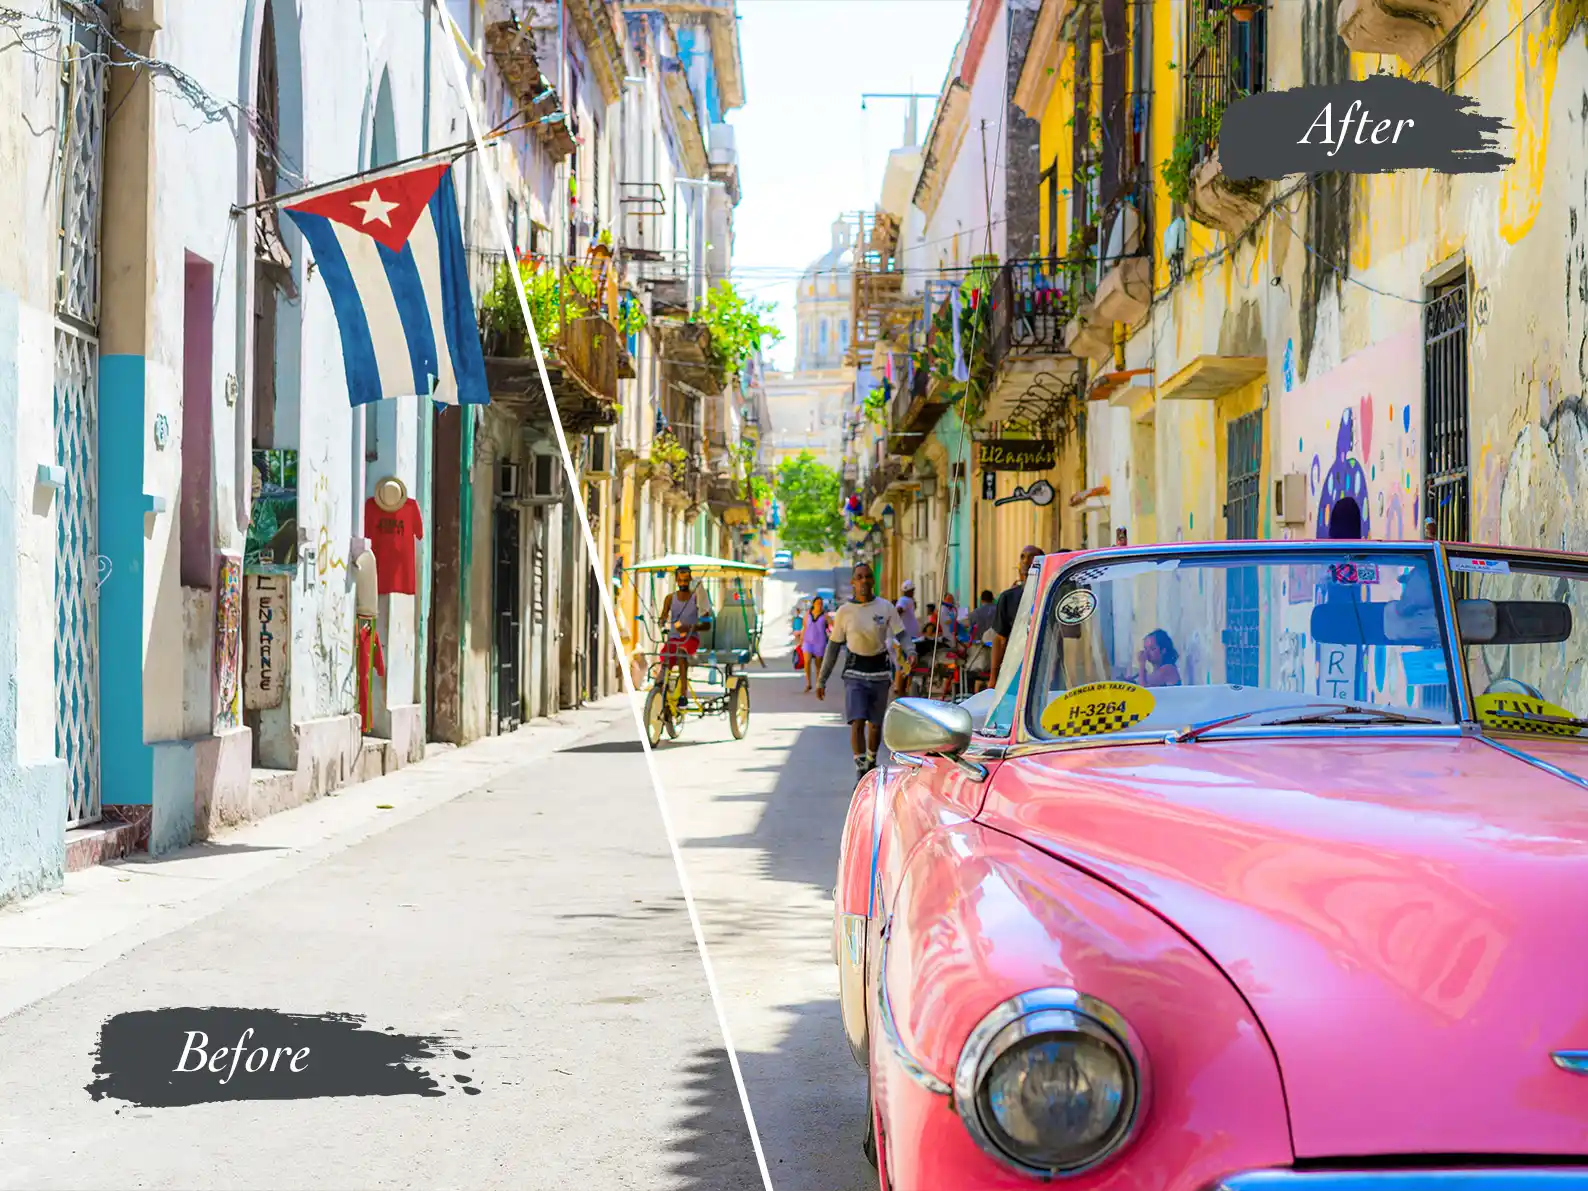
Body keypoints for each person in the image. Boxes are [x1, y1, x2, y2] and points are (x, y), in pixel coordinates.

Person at [818, 562, 912, 776]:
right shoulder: (844, 612)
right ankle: (861, 767)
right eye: (859, 577)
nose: (864, 581)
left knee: (876, 724)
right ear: (853, 582)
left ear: (873, 581)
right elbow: (833, 647)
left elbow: (902, 634)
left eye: (868, 577)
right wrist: (822, 679)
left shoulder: (885, 607)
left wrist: (911, 651)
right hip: (854, 673)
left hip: (879, 672)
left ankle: (871, 760)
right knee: (857, 720)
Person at [658, 564, 713, 707]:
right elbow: (663, 616)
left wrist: (689, 628)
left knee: (681, 653)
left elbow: (707, 625)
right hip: (674, 638)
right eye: (680, 580)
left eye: (685, 580)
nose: (683, 583)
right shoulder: (670, 599)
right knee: (665, 655)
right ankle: (661, 687)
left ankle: (683, 694)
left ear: (690, 580)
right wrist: (662, 621)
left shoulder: (696, 597)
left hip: (691, 639)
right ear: (676, 580)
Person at [991, 545, 1043, 677]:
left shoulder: (1050, 594)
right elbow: (1000, 639)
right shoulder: (1008, 598)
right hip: (1015, 669)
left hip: (1044, 667)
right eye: (1023, 557)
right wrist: (993, 677)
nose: (1026, 561)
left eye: (1032, 557)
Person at [802, 595, 830, 693]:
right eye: (818, 603)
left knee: (818, 665)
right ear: (813, 604)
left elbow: (833, 625)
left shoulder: (825, 616)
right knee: (807, 661)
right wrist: (801, 640)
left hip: (820, 642)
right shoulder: (807, 614)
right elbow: (804, 627)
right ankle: (808, 683)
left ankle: (819, 684)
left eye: (821, 604)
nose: (819, 605)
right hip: (808, 641)